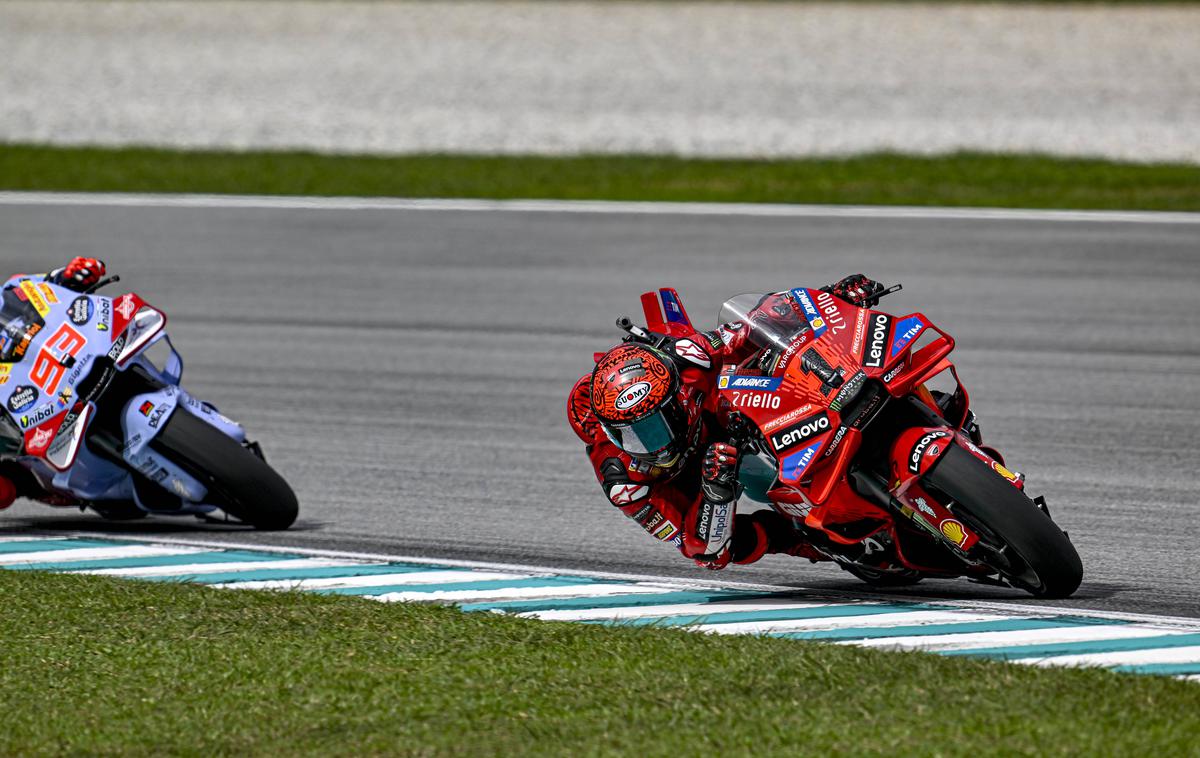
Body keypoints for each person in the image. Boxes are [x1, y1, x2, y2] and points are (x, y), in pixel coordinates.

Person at [567, 274, 886, 570]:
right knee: (727, 548)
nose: (648, 446)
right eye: (631, 435)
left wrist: (831, 299)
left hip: (725, 413)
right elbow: (702, 551)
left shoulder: (689, 358)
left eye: (652, 429)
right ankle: (815, 540)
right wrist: (715, 492)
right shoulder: (624, 482)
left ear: (677, 403)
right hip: (700, 479)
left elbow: (753, 325)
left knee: (774, 355)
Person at [0, 258, 107, 510]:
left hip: (72, 362)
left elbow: (46, 285)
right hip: (33, 419)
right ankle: (44, 485)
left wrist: (73, 275)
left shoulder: (11, 291)